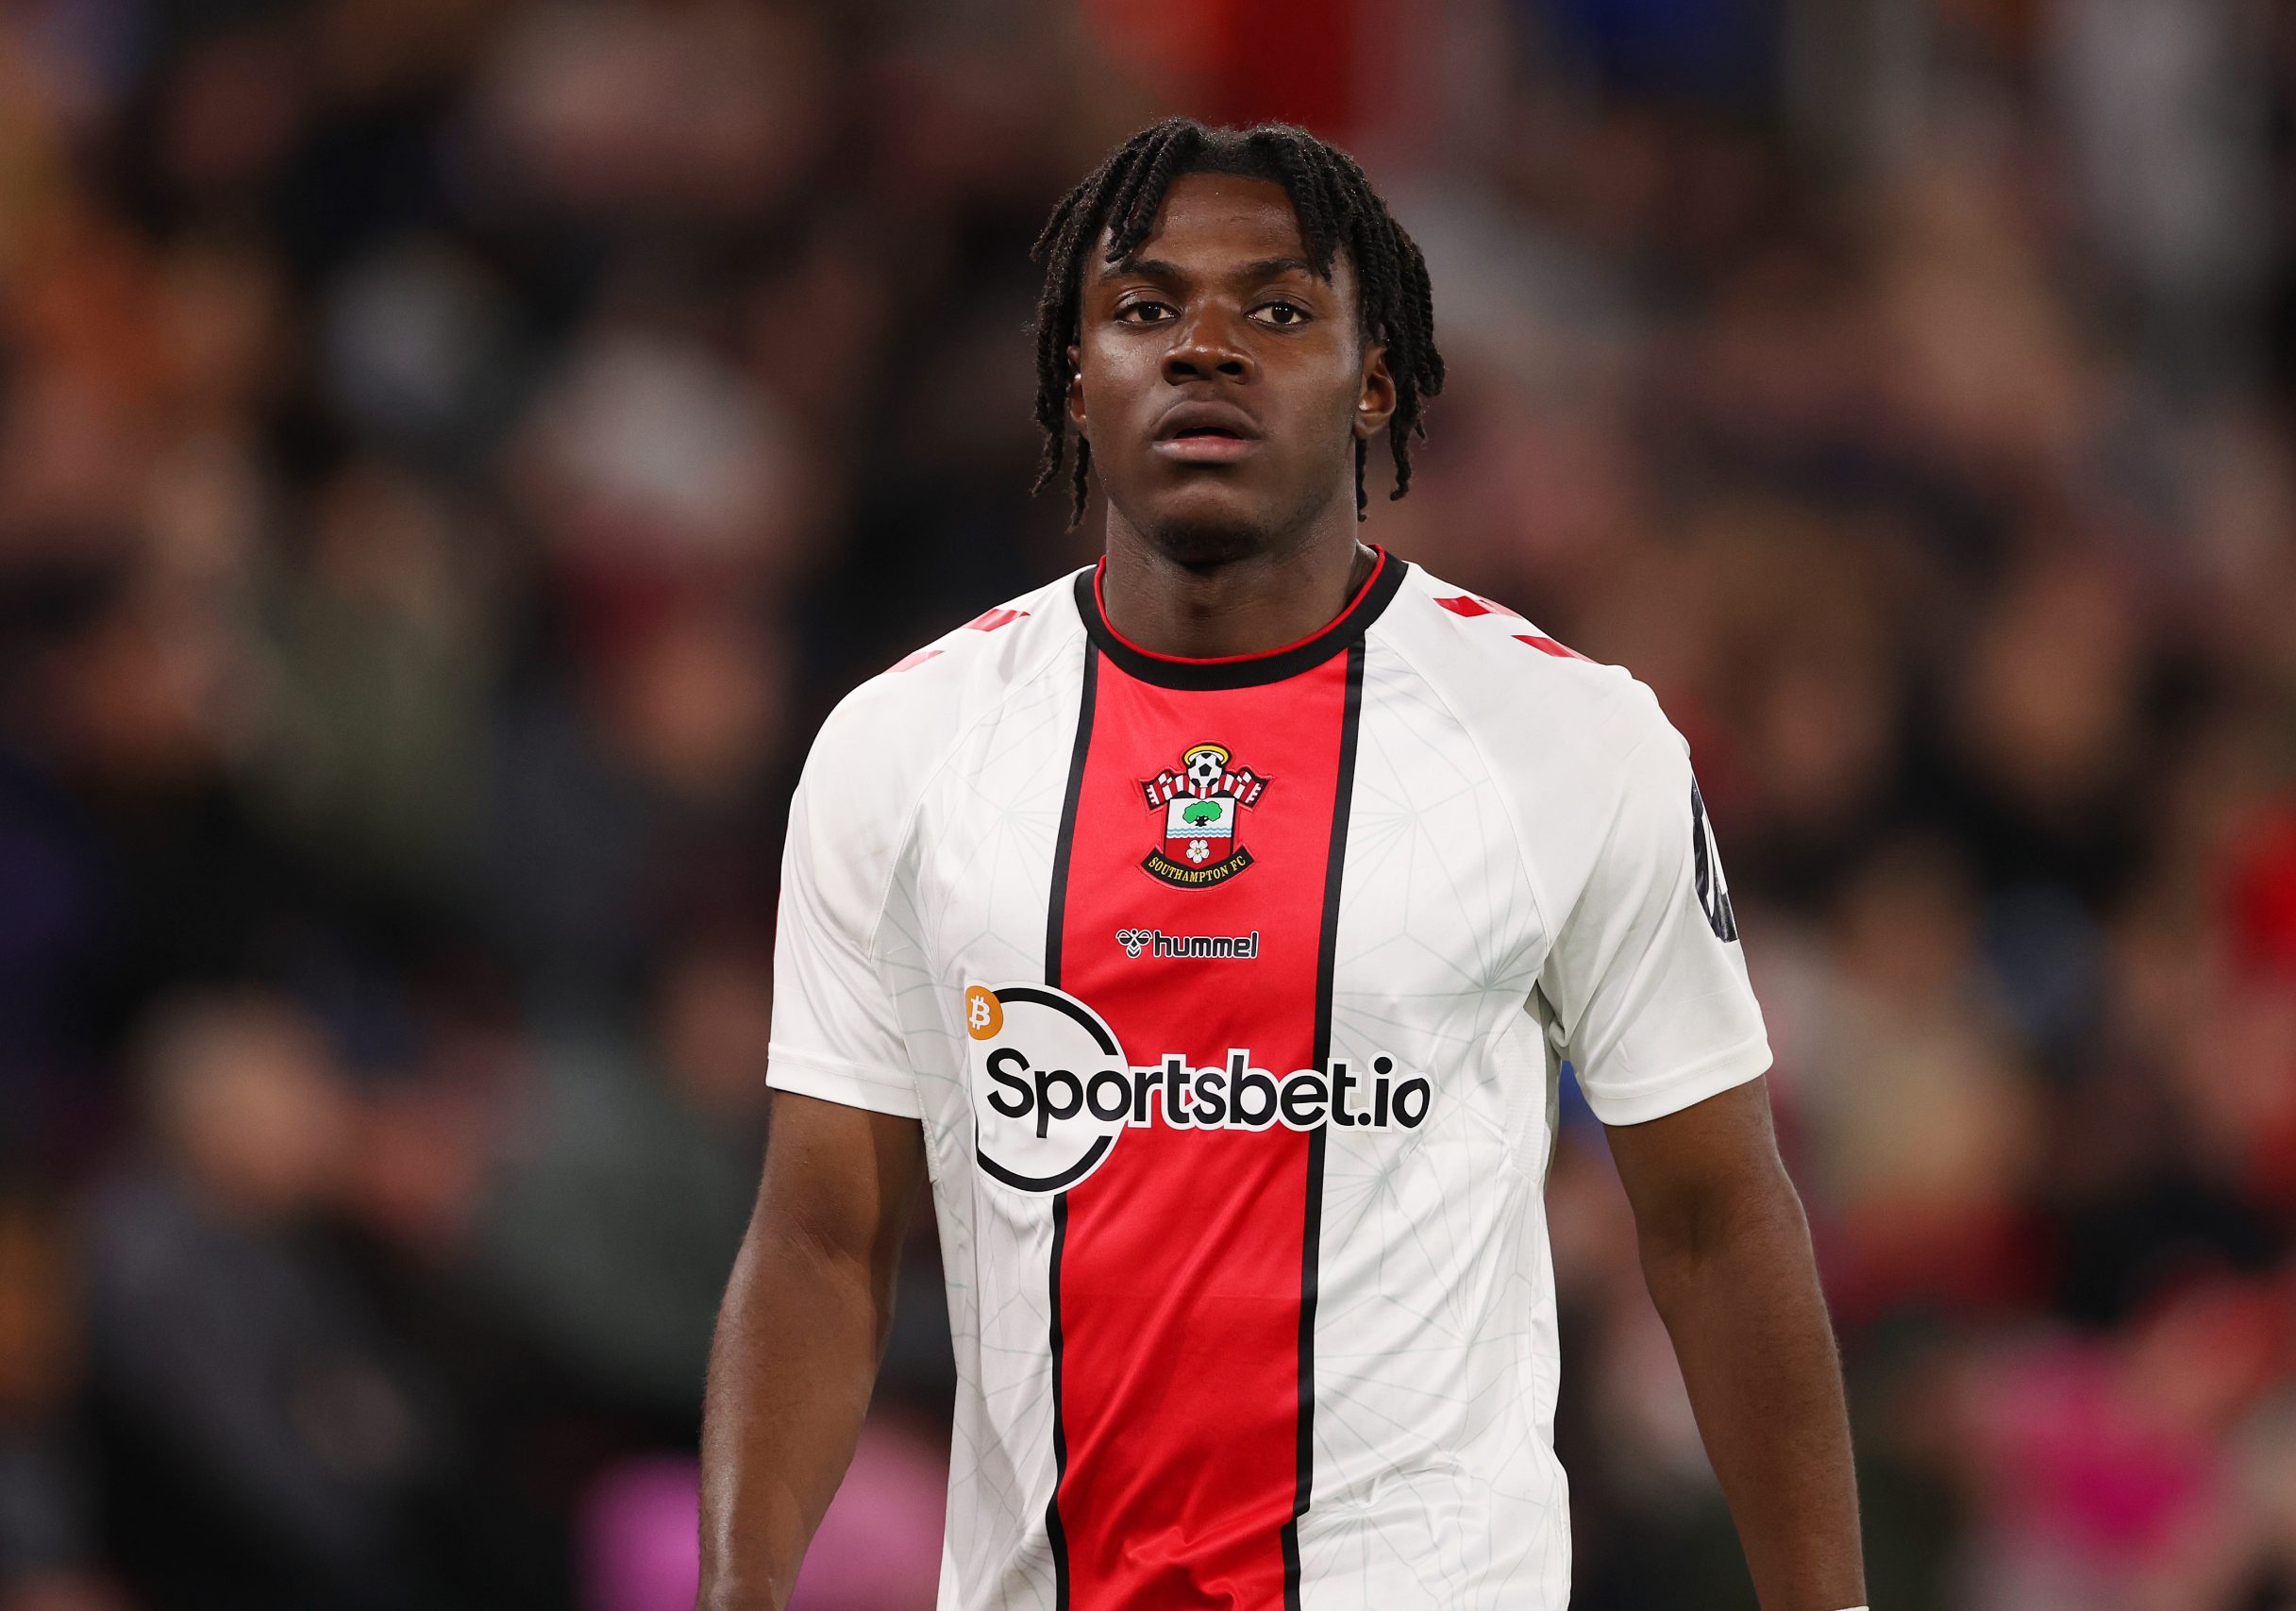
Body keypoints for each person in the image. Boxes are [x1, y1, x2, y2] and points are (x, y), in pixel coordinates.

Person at [697, 117, 1866, 1611]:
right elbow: (818, 1238)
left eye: (1279, 308)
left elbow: (1714, 1220)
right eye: (1143, 308)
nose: (1204, 348)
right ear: (1075, 375)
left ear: (1375, 379)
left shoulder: (1572, 741)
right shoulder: (903, 749)